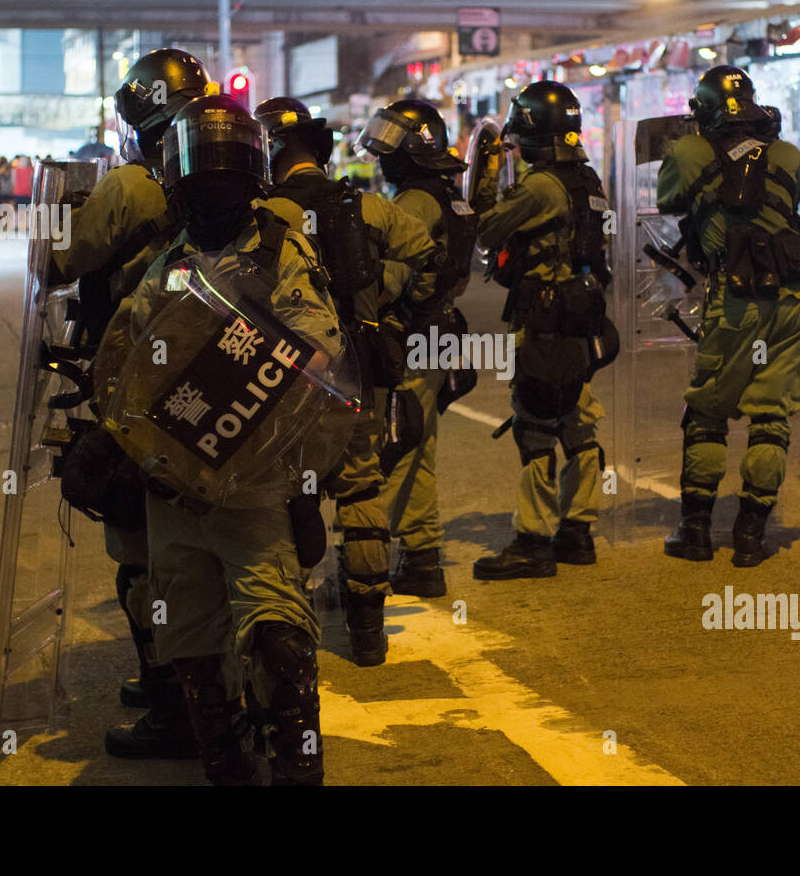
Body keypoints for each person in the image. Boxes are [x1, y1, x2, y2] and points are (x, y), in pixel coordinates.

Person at [95, 94, 344, 785]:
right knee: (193, 650)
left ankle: (296, 762)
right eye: (204, 175)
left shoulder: (279, 250)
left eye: (226, 174)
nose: (215, 188)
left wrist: (238, 378)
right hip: (173, 487)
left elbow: (320, 346)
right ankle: (227, 762)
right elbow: (122, 369)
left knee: (279, 640)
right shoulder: (163, 266)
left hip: (253, 483)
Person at [55, 47, 210, 760]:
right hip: (206, 387)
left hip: (134, 388)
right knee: (199, 544)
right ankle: (201, 687)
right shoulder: (221, 182)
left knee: (140, 551)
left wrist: (59, 218)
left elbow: (61, 260)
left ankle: (174, 701)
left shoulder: (128, 187)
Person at [255, 95, 439, 665]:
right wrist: (374, 291)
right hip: (358, 370)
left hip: (291, 375)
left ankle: (289, 634)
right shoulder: (362, 204)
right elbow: (426, 253)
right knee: (361, 489)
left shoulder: (265, 213)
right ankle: (367, 632)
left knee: (285, 495)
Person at [656, 66, 800, 566]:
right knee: (771, 415)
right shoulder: (788, 154)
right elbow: (790, 198)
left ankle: (697, 531)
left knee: (707, 412)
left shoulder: (687, 152)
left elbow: (666, 200)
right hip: (795, 296)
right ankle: (750, 536)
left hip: (737, 298)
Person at [472, 80, 614, 578]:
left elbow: (484, 226)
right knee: (579, 420)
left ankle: (533, 540)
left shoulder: (539, 186)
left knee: (534, 424)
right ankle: (577, 531)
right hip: (581, 316)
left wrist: (485, 174)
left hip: (544, 319)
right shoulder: (586, 179)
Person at [357, 98, 477, 597]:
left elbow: (391, 279)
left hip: (410, 337)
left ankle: (371, 563)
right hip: (439, 332)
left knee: (390, 448)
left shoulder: (412, 204)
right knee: (418, 446)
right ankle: (423, 558)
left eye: (391, 147)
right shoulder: (448, 196)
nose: (383, 159)